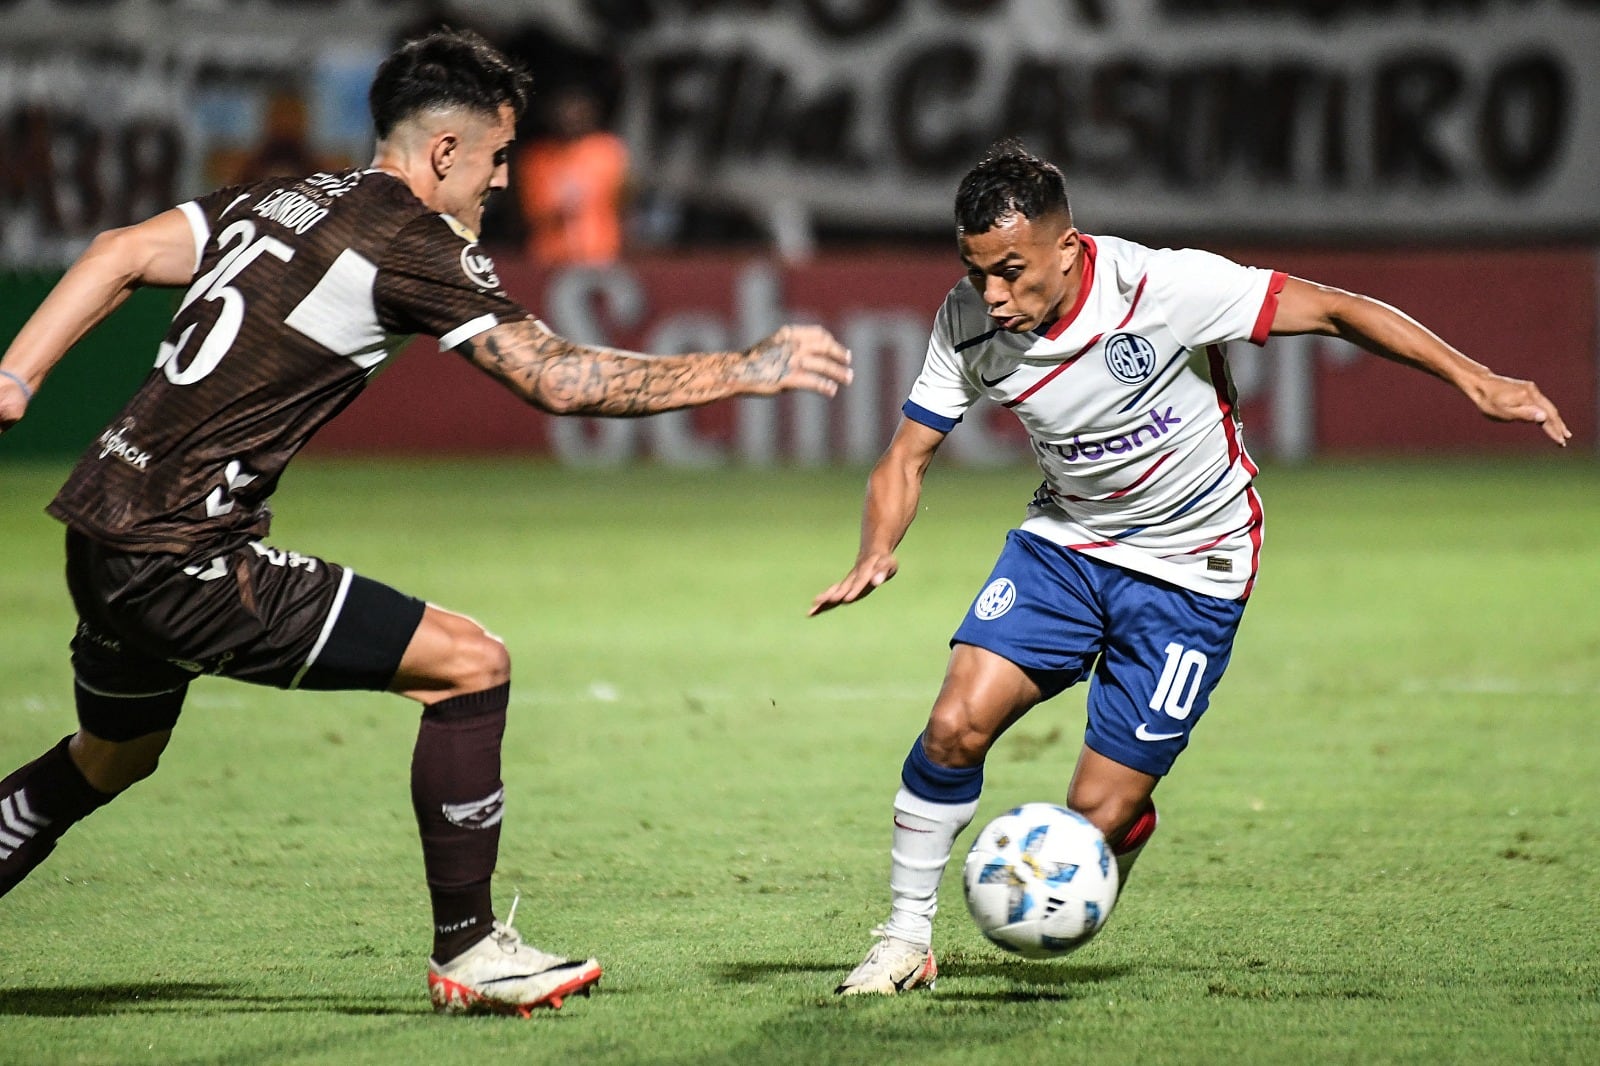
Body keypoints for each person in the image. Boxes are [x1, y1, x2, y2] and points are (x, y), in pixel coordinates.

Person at [0, 29, 851, 1018]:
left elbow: (117, 251)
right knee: (469, 664)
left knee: (113, 754)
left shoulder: (282, 199)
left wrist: (16, 374)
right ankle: (471, 950)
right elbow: (558, 380)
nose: (503, 181)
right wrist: (740, 368)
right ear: (445, 150)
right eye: (498, 156)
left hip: (99, 522)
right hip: (182, 552)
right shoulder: (409, 238)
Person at [810, 140, 1567, 996]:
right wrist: (877, 548)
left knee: (1097, 815)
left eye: (1010, 272)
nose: (992, 294)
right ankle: (905, 939)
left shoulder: (1162, 289)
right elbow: (906, 456)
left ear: (1068, 248)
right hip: (1067, 544)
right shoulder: (967, 320)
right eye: (975, 272)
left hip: (1193, 569)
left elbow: (1335, 310)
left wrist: (1476, 380)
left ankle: (1124, 826)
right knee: (953, 725)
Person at [515, 84, 628, 266]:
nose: (570, 118)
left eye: (577, 111)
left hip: (601, 256)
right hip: (550, 258)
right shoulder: (537, 158)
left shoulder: (607, 150)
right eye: (564, 112)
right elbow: (532, 212)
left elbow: (625, 203)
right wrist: (563, 203)